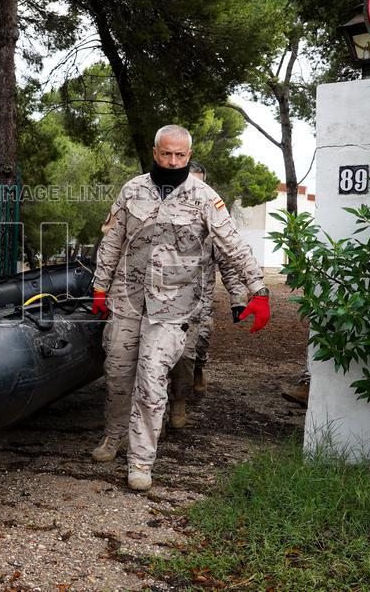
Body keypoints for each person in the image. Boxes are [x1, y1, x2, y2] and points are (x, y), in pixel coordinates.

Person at [90, 124, 271, 491]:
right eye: (167, 154)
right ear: (155, 153)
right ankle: (114, 435)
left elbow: (233, 245)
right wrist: (99, 285)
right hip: (128, 299)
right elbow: (112, 240)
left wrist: (258, 291)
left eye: (180, 155)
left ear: (188, 156)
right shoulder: (132, 190)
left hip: (173, 306)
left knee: (151, 380)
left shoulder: (204, 197)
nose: (173, 161)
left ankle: (141, 461)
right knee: (117, 372)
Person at [166, 162, 249, 428]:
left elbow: (228, 261)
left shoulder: (212, 217)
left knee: (190, 352)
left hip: (197, 302)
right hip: (162, 299)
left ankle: (179, 400)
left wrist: (239, 298)